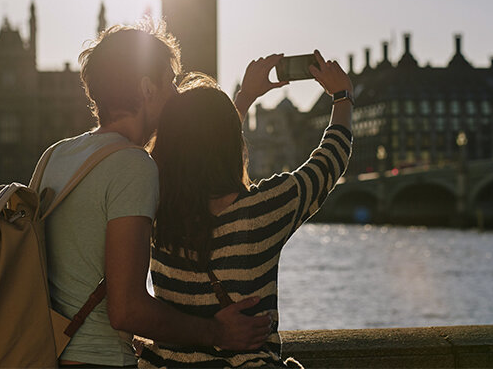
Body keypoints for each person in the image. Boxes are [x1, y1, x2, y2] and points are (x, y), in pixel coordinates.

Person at [39, 20, 272, 367]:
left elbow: (202, 156)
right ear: (147, 88)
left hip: (46, 355)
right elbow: (127, 310)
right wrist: (217, 333)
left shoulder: (57, 155)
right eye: (171, 83)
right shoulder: (133, 167)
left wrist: (242, 101)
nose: (177, 95)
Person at [139, 51, 354, 368]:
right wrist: (342, 97)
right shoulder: (264, 209)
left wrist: (244, 97)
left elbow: (196, 146)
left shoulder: (154, 207)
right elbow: (329, 161)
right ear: (233, 142)